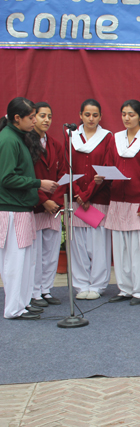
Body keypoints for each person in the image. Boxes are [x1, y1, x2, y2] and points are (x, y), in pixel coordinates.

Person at [0, 97, 58, 320]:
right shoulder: (8, 140)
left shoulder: (18, 137)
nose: (35, 121)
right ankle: (13, 309)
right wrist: (38, 183)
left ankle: (23, 303)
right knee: (15, 262)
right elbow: (6, 178)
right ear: (17, 118)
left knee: (25, 261)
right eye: (32, 117)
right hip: (12, 209)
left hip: (22, 208)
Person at [104, 100, 140, 306]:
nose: (127, 118)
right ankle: (124, 288)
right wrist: (104, 176)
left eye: (131, 114)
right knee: (120, 248)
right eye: (124, 114)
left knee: (138, 249)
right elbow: (109, 164)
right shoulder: (115, 138)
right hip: (118, 198)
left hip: (137, 199)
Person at [63, 99, 113, 300]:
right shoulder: (71, 136)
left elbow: (107, 167)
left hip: (97, 198)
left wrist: (87, 195)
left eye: (95, 115)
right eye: (87, 114)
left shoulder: (107, 137)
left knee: (98, 245)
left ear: (100, 117)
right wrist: (78, 194)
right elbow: (67, 167)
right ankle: (81, 284)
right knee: (78, 245)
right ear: (80, 115)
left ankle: (97, 285)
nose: (91, 118)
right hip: (76, 199)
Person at [30, 102, 65, 307]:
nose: (46, 120)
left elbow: (62, 174)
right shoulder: (26, 142)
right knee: (35, 252)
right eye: (42, 116)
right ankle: (34, 291)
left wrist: (56, 201)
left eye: (49, 116)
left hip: (54, 206)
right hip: (36, 205)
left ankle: (46, 289)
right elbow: (27, 176)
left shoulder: (55, 144)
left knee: (51, 251)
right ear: (33, 117)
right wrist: (44, 201)